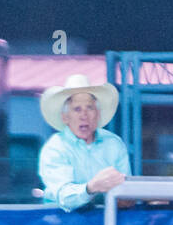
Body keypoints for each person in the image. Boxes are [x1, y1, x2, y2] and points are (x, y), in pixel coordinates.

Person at [38, 74, 131, 211]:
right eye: (77, 109)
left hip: (107, 221)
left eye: (90, 108)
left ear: (98, 114)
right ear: (65, 117)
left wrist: (129, 197)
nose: (84, 115)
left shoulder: (113, 143)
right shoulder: (55, 147)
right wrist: (91, 187)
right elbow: (64, 197)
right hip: (61, 224)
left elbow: (126, 192)